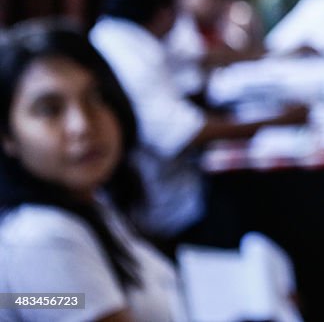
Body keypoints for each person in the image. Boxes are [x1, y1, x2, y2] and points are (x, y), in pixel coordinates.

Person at [89, 0, 308, 246]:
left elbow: (202, 57)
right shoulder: (131, 58)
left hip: (167, 188)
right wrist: (280, 120)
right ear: (164, 12)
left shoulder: (125, 37)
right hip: (166, 208)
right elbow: (185, 132)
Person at [0, 21, 186, 321]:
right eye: (49, 109)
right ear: (7, 136)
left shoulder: (88, 199)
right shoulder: (43, 240)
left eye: (96, 99)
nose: (83, 125)